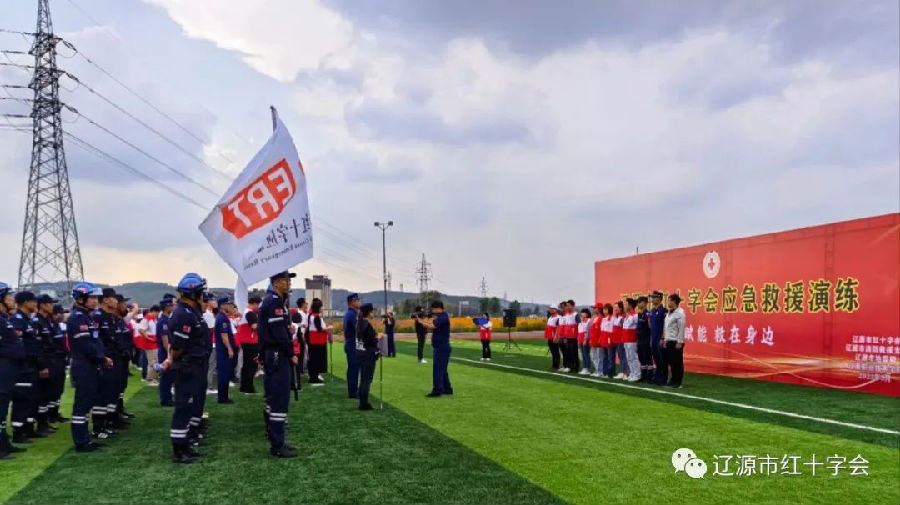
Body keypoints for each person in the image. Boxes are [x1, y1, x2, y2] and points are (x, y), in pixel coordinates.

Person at [162, 273, 208, 463]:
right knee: (183, 408)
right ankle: (179, 450)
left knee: (189, 407)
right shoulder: (183, 314)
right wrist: (171, 359)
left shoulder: (192, 312)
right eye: (200, 292)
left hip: (194, 365)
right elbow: (178, 346)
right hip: (186, 367)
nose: (203, 295)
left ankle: (185, 445)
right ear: (193, 294)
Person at [257, 271, 299, 458]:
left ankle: (277, 439)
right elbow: (278, 334)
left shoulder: (274, 301)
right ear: (275, 283)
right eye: (285, 280)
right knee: (279, 399)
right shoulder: (274, 302)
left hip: (271, 354)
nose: (288, 283)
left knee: (274, 398)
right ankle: (277, 444)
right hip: (277, 355)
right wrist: (291, 353)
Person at [67, 283, 110, 452]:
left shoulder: (86, 316)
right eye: (91, 297)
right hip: (84, 366)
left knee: (86, 405)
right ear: (80, 299)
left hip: (90, 365)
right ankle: (81, 442)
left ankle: (85, 438)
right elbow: (86, 345)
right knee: (82, 405)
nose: (95, 300)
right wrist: (102, 358)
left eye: (95, 297)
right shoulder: (78, 317)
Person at [10, 290, 41, 443]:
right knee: (21, 399)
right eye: (33, 301)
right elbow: (18, 344)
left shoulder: (28, 320)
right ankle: (18, 432)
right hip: (23, 366)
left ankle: (28, 428)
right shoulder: (18, 320)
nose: (36, 304)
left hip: (31, 365)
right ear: (25, 303)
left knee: (31, 398)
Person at [0, 282, 26, 458]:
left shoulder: (4, 319)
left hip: (9, 368)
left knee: (3, 409)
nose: (12, 299)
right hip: (3, 368)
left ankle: (4, 443)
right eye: (8, 296)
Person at [32, 294, 59, 436]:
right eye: (50, 304)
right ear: (42, 305)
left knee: (48, 393)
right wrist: (42, 365)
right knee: (41, 395)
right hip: (43, 361)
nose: (52, 306)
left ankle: (45, 422)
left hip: (51, 360)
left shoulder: (47, 321)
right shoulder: (37, 321)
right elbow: (37, 346)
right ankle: (41, 424)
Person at [417, 301, 452, 397]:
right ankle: (447, 389)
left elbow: (432, 326)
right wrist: (424, 322)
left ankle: (437, 390)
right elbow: (431, 328)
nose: (433, 311)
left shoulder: (443, 317)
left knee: (438, 369)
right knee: (442, 369)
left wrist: (421, 321)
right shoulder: (440, 317)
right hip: (440, 347)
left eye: (434, 309)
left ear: (439, 308)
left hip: (442, 347)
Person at [355, 303, 382, 410]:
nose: (373, 313)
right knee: (367, 380)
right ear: (369, 312)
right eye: (372, 311)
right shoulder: (366, 324)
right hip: (368, 354)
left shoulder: (360, 323)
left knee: (363, 379)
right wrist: (378, 337)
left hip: (361, 353)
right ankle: (364, 403)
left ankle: (362, 402)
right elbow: (371, 341)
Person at [47, 304, 69, 423]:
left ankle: (55, 413)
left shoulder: (57, 326)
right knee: (51, 389)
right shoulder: (49, 326)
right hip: (53, 361)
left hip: (61, 361)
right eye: (61, 313)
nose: (63, 315)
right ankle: (50, 415)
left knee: (59, 389)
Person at [214, 297, 237, 404]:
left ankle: (224, 396)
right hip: (223, 351)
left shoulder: (222, 317)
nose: (231, 306)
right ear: (223, 306)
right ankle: (222, 398)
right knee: (224, 374)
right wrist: (229, 349)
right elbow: (224, 336)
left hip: (223, 350)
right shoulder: (222, 318)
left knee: (225, 373)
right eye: (229, 304)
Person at [237, 296, 261, 394]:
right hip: (250, 342)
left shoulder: (247, 312)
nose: (259, 308)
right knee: (251, 365)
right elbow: (254, 326)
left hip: (247, 341)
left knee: (248, 365)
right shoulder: (250, 313)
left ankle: (245, 386)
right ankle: (248, 387)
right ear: (254, 304)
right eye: (259, 305)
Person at [662, 294, 686, 388]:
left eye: (669, 300)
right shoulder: (669, 313)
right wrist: (665, 339)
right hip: (669, 340)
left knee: (677, 363)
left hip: (676, 341)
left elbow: (681, 328)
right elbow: (666, 327)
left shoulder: (680, 313)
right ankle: (672, 380)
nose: (668, 302)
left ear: (674, 301)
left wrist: (679, 341)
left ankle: (678, 382)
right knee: (672, 363)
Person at [157, 297, 175, 406]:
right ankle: (165, 399)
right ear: (167, 307)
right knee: (166, 377)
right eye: (171, 305)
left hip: (167, 352)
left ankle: (168, 397)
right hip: (165, 352)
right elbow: (165, 340)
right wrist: (169, 356)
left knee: (169, 377)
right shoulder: (163, 321)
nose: (173, 307)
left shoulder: (167, 319)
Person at [342, 293, 361, 399]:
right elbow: (359, 329)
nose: (359, 302)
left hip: (351, 343)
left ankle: (354, 390)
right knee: (353, 368)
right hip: (352, 344)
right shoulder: (352, 314)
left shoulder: (351, 313)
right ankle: (353, 391)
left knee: (354, 368)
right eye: (357, 300)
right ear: (352, 302)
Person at [306, 298, 328, 386]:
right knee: (316, 360)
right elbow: (319, 329)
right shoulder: (316, 317)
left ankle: (313, 376)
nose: (322, 308)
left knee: (313, 359)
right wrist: (328, 328)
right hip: (317, 341)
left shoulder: (311, 315)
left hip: (313, 340)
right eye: (321, 307)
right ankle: (314, 378)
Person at [648, 291, 668, 385]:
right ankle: (657, 376)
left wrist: (662, 338)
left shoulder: (664, 311)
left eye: (654, 297)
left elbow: (665, 325)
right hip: (653, 337)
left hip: (660, 338)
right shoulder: (652, 311)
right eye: (652, 297)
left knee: (662, 358)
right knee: (655, 358)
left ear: (659, 298)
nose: (652, 299)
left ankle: (663, 378)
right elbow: (650, 324)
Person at [138, 306, 160, 384]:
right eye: (157, 313)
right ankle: (150, 379)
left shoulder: (154, 319)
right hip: (149, 344)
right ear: (153, 311)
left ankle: (154, 378)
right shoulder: (146, 319)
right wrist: (148, 338)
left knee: (155, 361)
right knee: (152, 362)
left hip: (154, 343)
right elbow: (141, 329)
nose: (157, 315)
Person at [621, 298, 641, 382]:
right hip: (626, 340)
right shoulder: (627, 316)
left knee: (634, 357)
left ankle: (637, 374)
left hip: (632, 340)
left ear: (630, 305)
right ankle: (632, 373)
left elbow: (638, 328)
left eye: (626, 305)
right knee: (629, 358)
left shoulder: (635, 316)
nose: (624, 306)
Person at [636, 296, 653, 382]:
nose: (638, 304)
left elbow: (650, 327)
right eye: (638, 302)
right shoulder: (639, 314)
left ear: (645, 303)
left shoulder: (648, 314)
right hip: (639, 339)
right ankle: (643, 376)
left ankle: (649, 377)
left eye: (640, 302)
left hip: (646, 339)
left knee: (648, 357)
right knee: (641, 357)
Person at [611, 301, 627, 380]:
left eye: (617, 307)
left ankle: (624, 373)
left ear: (621, 308)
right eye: (614, 307)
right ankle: (622, 372)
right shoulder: (615, 317)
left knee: (623, 357)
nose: (615, 309)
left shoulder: (623, 317)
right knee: (620, 357)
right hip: (616, 340)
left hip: (621, 340)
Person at [588, 304, 604, 377]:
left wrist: (600, 339)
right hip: (593, 340)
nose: (594, 309)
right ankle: (597, 370)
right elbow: (592, 330)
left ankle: (600, 371)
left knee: (600, 356)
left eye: (595, 308)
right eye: (594, 308)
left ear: (599, 309)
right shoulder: (594, 318)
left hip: (598, 340)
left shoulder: (601, 318)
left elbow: (601, 330)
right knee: (594, 356)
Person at [600, 303, 615, 378]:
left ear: (609, 310)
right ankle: (605, 372)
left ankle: (610, 373)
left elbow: (612, 330)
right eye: (603, 309)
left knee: (610, 357)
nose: (604, 311)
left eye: (606, 309)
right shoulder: (603, 319)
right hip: (604, 340)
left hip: (609, 340)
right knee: (605, 357)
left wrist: (610, 339)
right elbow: (602, 330)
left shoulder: (612, 318)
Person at [545, 306, 561, 370]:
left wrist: (556, 336)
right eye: (550, 309)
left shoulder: (558, 318)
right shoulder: (550, 318)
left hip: (555, 337)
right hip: (550, 337)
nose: (551, 310)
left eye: (552, 309)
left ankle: (556, 365)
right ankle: (554, 365)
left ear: (556, 310)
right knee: (553, 352)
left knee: (556, 351)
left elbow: (558, 328)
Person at [577, 308, 592, 375]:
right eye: (581, 315)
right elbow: (579, 333)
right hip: (580, 341)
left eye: (584, 315)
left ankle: (587, 368)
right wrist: (578, 340)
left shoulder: (588, 322)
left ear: (587, 314)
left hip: (585, 341)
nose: (582, 317)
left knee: (586, 354)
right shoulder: (580, 323)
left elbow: (587, 332)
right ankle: (584, 367)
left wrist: (585, 340)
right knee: (583, 355)